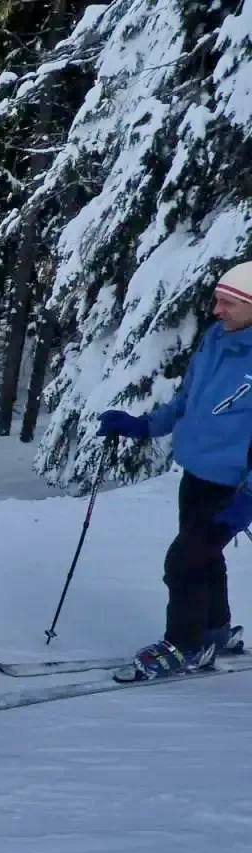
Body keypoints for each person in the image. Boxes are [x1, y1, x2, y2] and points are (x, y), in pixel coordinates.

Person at [96, 260, 252, 680]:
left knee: (183, 562)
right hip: (197, 475)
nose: (216, 310)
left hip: (234, 488)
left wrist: (249, 498)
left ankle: (185, 645)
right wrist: (144, 426)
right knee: (204, 557)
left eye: (229, 303)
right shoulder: (216, 340)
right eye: (217, 300)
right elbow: (186, 401)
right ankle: (215, 631)